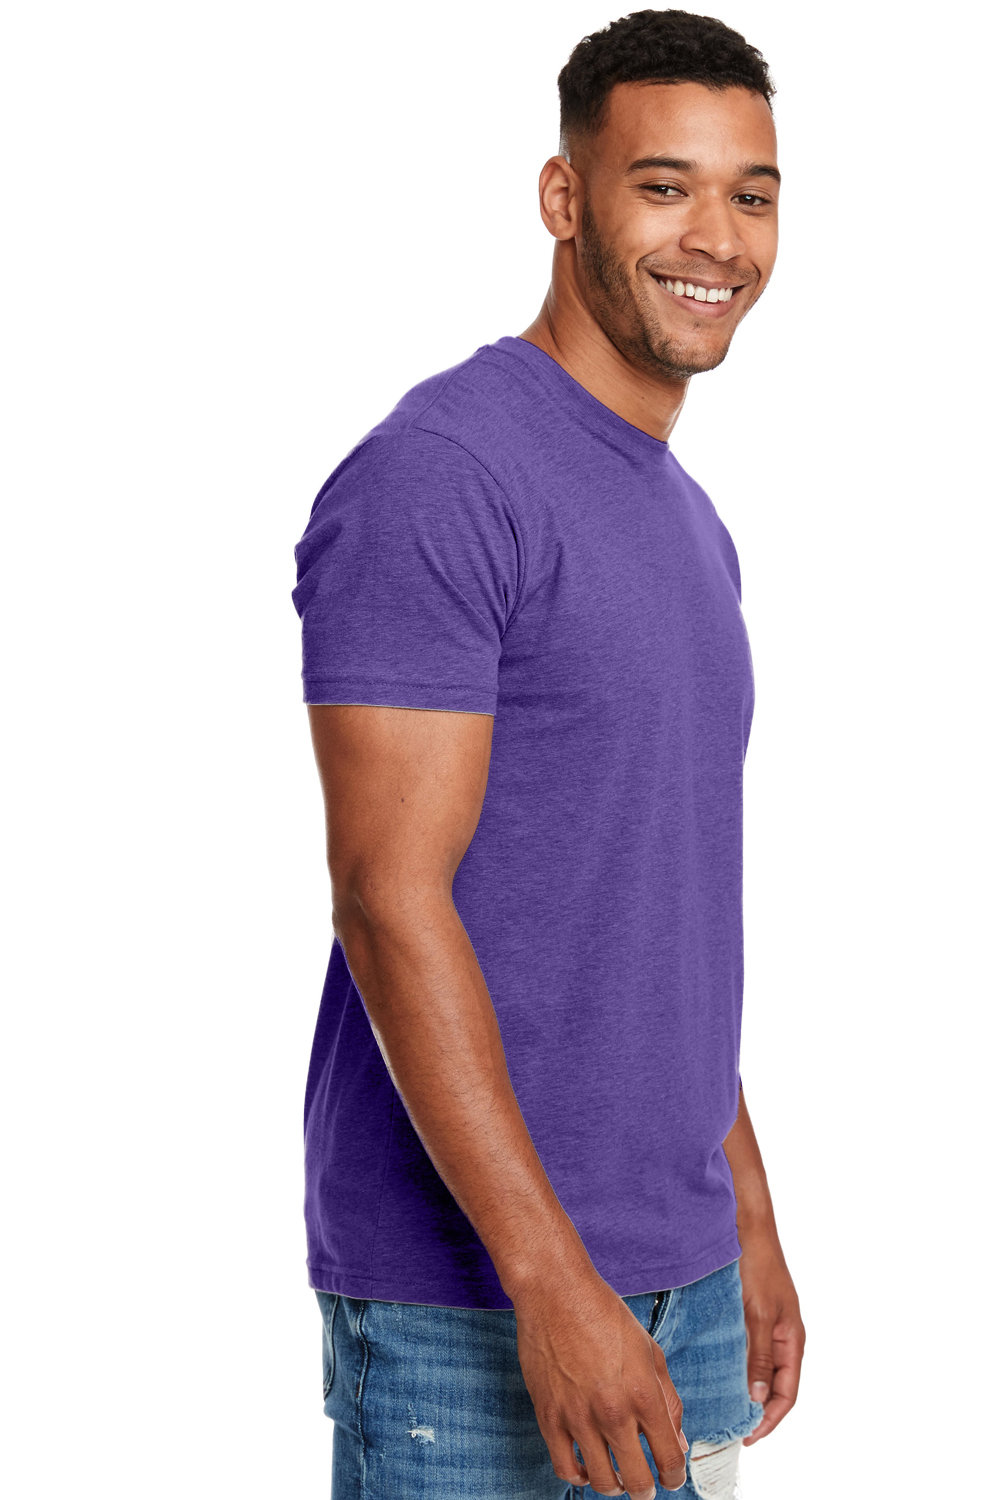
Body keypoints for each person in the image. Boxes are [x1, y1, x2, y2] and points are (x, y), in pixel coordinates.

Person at [290, 10, 805, 1497]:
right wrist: (553, 1283)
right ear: (564, 198)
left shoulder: (688, 522)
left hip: (682, 1279)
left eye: (751, 193)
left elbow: (656, 907)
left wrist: (745, 1212)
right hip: (473, 1304)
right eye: (664, 186)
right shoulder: (442, 477)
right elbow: (389, 898)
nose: (716, 238)